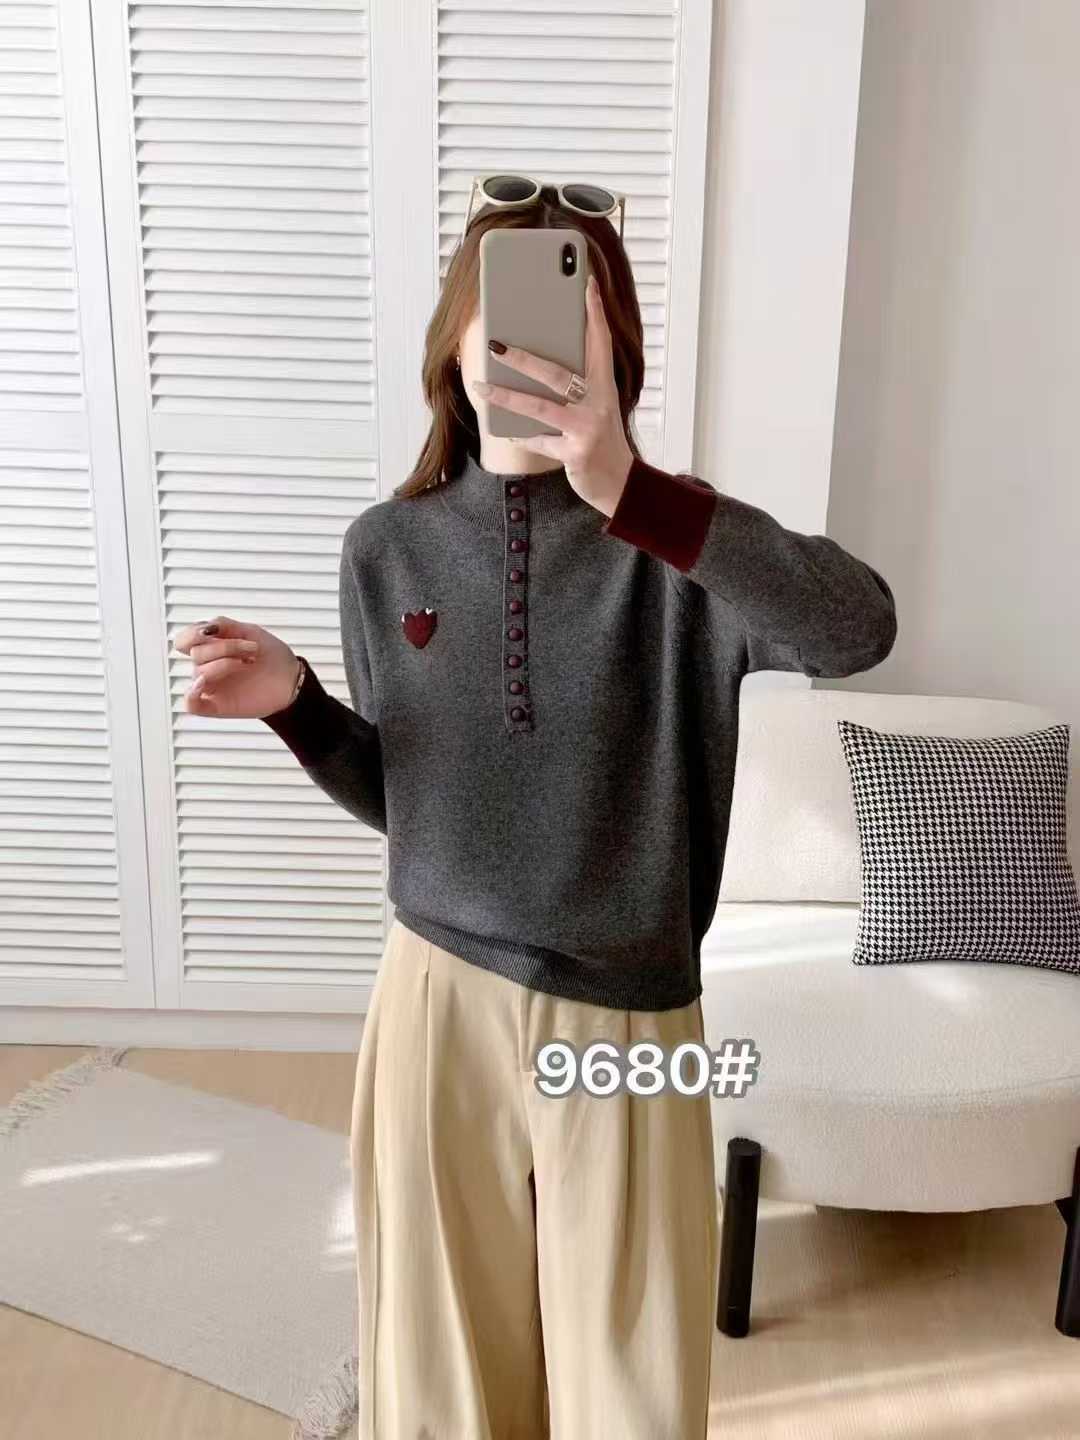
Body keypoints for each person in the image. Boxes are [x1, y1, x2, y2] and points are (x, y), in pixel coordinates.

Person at [172, 183, 897, 1439]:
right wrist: (300, 706)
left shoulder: (682, 549)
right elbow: (416, 807)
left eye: (572, 314)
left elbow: (859, 629)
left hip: (629, 1013)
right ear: (455, 342)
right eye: (500, 314)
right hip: (435, 1001)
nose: (529, 346)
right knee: (440, 1370)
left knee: (633, 1381)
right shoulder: (385, 550)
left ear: (616, 350)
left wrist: (632, 493)